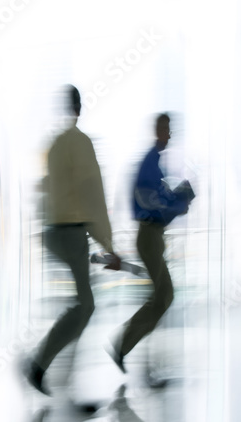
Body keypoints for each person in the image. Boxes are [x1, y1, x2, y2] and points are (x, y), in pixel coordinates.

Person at [24, 85, 121, 395]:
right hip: (71, 232)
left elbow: (46, 191)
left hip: (54, 232)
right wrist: (108, 246)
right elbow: (92, 195)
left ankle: (56, 366)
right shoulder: (81, 143)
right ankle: (40, 364)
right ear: (78, 107)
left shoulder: (53, 146)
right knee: (85, 305)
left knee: (82, 304)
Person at [110, 113, 191, 371]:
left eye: (171, 129)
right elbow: (151, 200)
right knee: (164, 295)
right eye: (166, 129)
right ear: (157, 130)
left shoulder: (154, 163)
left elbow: (156, 198)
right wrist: (178, 201)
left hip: (152, 237)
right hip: (148, 237)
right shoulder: (150, 161)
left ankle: (125, 344)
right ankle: (123, 343)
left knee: (162, 296)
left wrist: (176, 200)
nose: (170, 134)